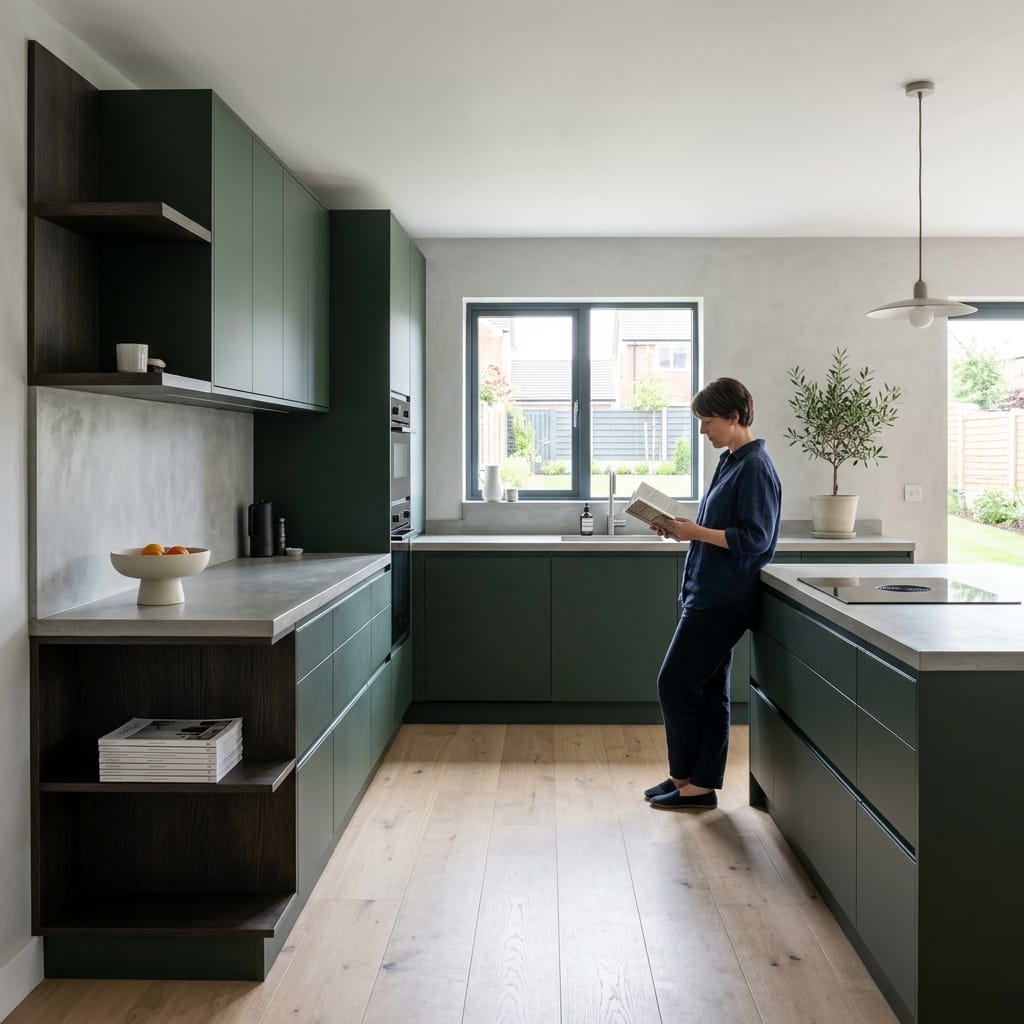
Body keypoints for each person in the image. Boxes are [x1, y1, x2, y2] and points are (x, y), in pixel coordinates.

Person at [645, 377, 781, 810]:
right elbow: (721, 530)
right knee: (708, 689)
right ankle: (692, 782)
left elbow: (756, 538)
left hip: (724, 598)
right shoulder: (732, 461)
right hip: (707, 591)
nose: (702, 430)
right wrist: (681, 531)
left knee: (675, 681)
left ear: (734, 417)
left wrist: (696, 531)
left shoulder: (755, 467)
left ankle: (689, 779)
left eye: (707, 421)